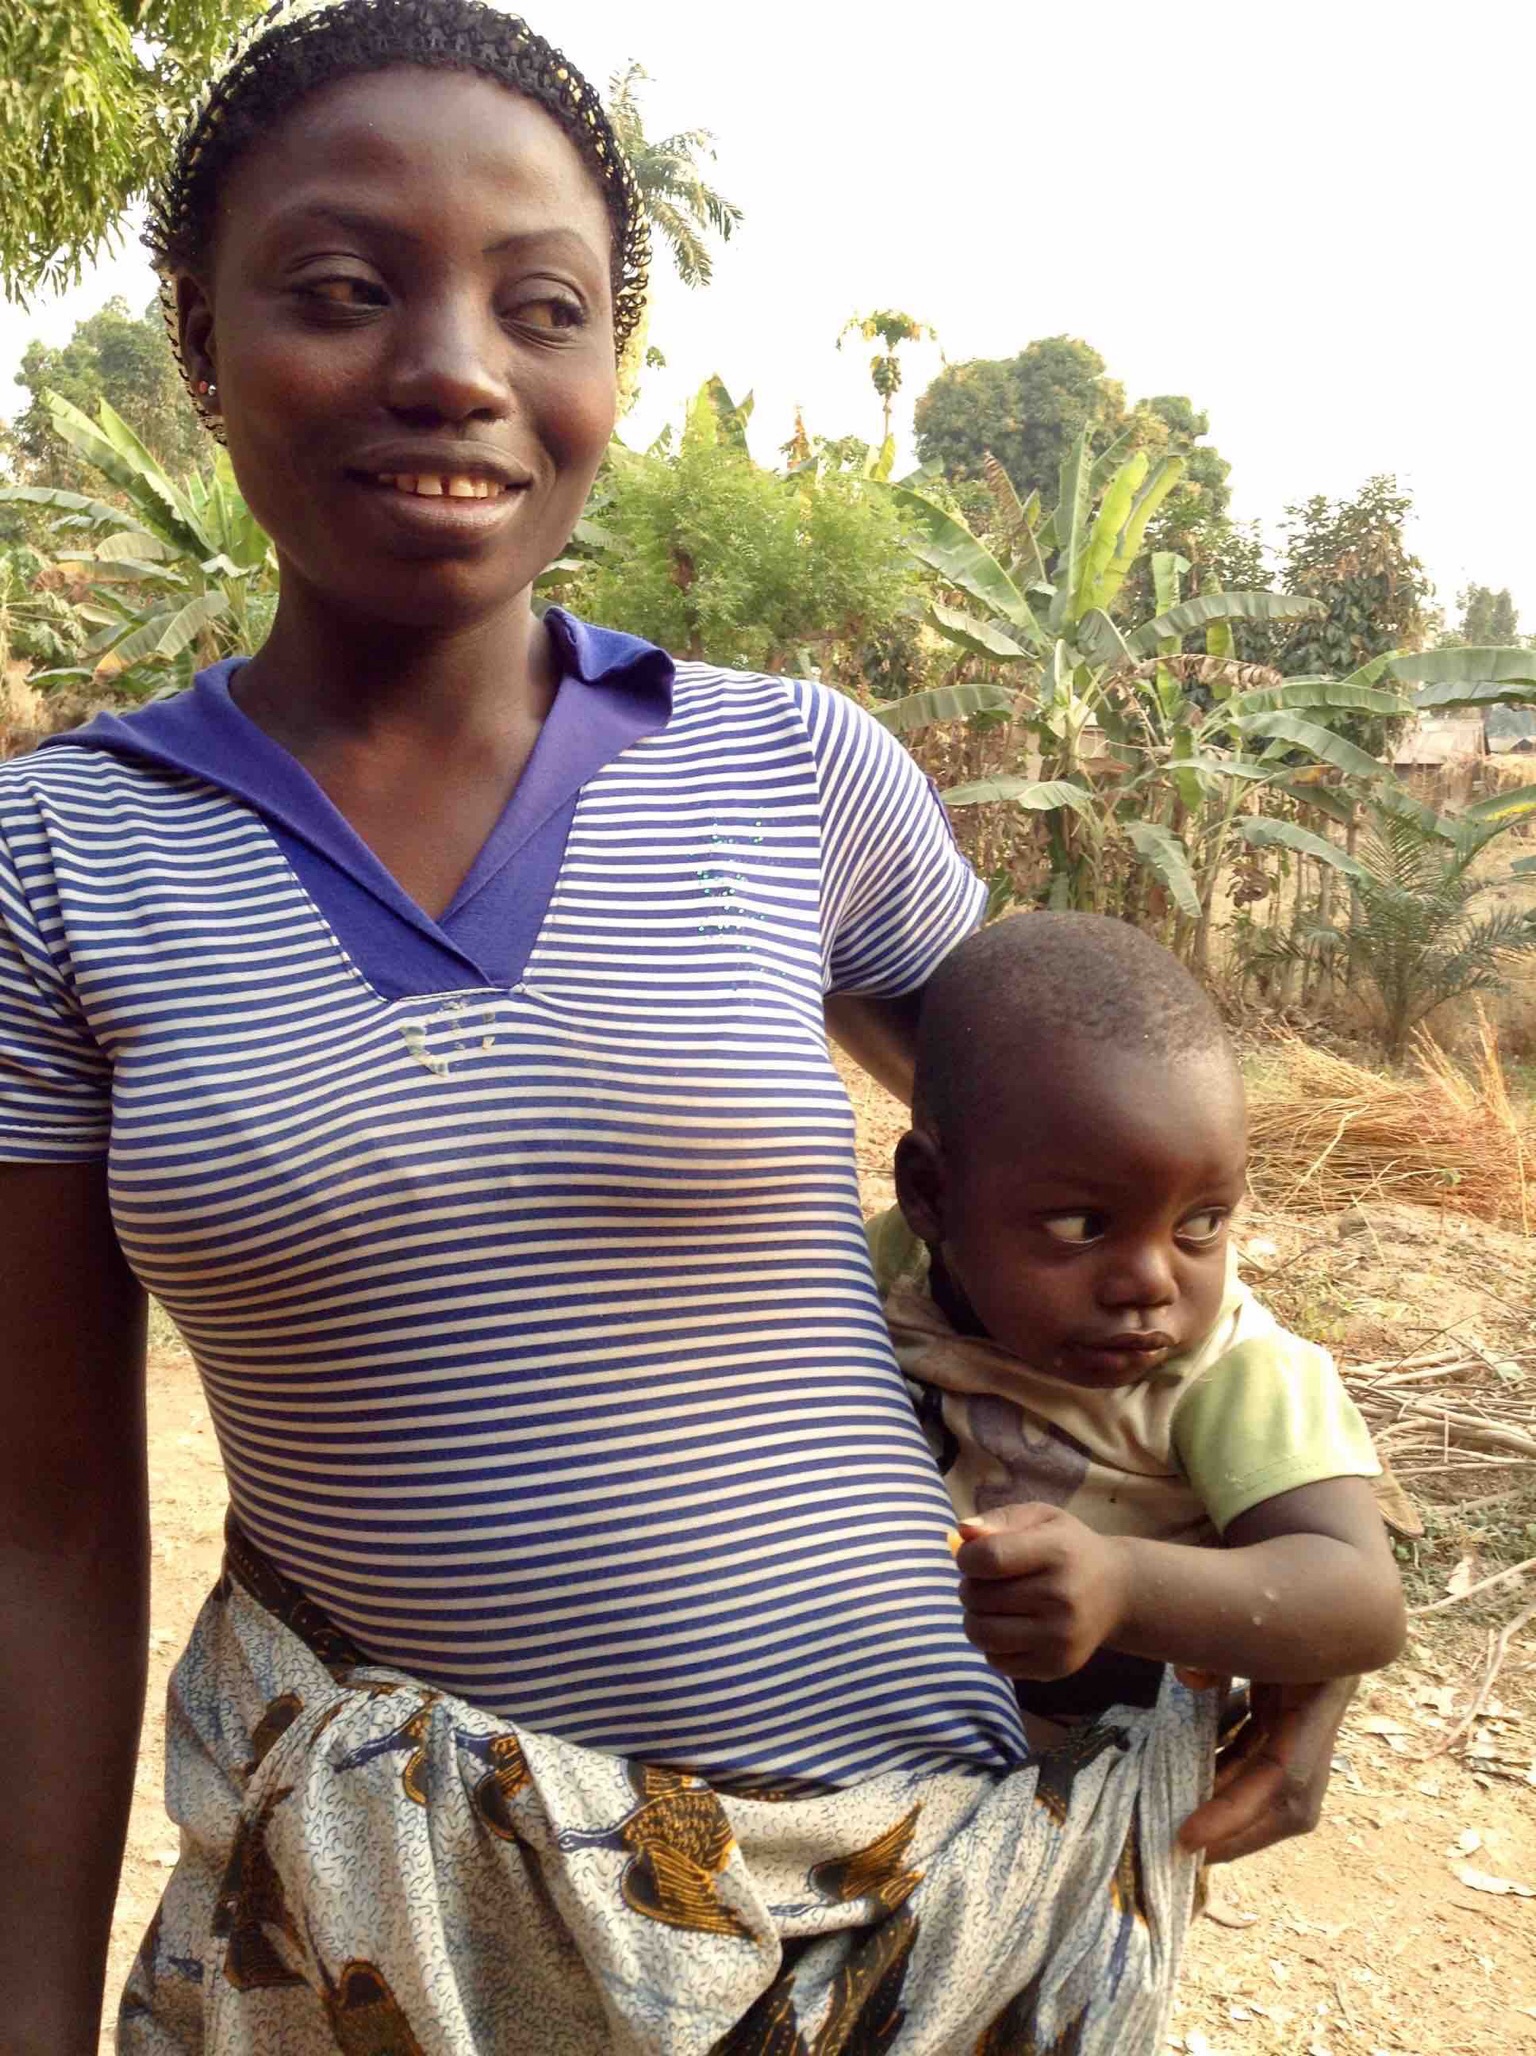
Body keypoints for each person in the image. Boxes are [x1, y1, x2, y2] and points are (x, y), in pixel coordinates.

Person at [0, 5, 1355, 2051]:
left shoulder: (792, 771)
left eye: (543, 303)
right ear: (198, 336)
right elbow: (42, 1519)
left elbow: (1105, 1187)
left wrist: (1293, 1574)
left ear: (609, 359)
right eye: (346, 289)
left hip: (947, 1893)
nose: (454, 364)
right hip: (417, 1938)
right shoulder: (62, 860)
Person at [871, 911, 1406, 1751]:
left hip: (1096, 1793)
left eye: (1202, 1222)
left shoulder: (1231, 1369)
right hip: (874, 1745)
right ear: (931, 1197)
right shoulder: (870, 1270)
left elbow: (1361, 1599)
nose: (1152, 1283)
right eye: (1084, 1226)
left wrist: (1123, 1585)